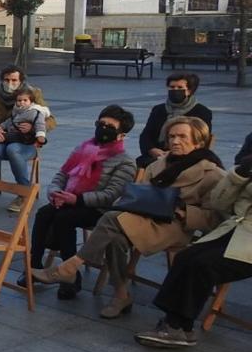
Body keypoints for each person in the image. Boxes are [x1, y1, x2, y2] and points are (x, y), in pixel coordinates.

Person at [35, 117, 224, 318]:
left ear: (198, 142)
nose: (175, 141)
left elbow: (215, 218)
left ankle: (70, 267)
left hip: (175, 225)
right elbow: (140, 195)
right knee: (114, 236)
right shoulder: (158, 165)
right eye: (172, 136)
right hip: (145, 218)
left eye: (182, 137)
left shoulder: (212, 173)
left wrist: (183, 211)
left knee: (111, 218)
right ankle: (120, 295)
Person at [17, 106, 137, 301]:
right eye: (101, 124)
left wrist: (77, 199)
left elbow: (110, 195)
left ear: (121, 135)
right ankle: (33, 266)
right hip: (69, 199)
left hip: (97, 209)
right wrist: (55, 192)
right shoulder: (83, 149)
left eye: (110, 127)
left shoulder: (124, 162)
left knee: (64, 218)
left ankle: (70, 276)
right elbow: (63, 174)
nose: (103, 129)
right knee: (45, 213)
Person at [135, 158, 252, 348]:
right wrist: (239, 176)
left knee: (204, 265)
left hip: (247, 244)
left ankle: (175, 326)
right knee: (185, 257)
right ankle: (183, 328)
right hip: (235, 231)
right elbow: (219, 204)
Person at [0, 66, 57, 213]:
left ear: (21, 81)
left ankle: (23, 192)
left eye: (14, 80)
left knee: (13, 150)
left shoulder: (32, 93)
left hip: (27, 142)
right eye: (6, 80)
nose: (10, 83)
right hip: (5, 138)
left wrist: (33, 128)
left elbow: (51, 120)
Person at [137, 72, 212, 169]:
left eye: (180, 88)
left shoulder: (201, 112)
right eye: (172, 87)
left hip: (185, 156)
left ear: (189, 91)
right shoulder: (158, 110)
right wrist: (152, 150)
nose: (175, 90)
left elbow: (202, 139)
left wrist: (173, 152)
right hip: (156, 154)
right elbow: (146, 135)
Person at [0, 88, 50, 154]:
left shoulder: (34, 112)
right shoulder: (17, 111)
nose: (22, 102)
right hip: (14, 134)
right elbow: (10, 121)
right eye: (19, 100)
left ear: (31, 102)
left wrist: (40, 136)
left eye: (25, 100)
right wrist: (1, 126)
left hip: (26, 137)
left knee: (5, 137)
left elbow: (40, 124)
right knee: (3, 136)